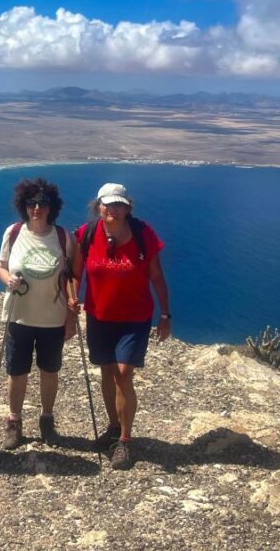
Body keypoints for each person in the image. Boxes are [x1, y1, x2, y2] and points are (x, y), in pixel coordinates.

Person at [72, 183, 171, 470]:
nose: (112, 209)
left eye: (118, 204)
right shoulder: (86, 234)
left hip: (134, 318)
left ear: (128, 207)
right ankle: (113, 428)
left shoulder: (143, 234)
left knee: (123, 374)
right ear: (98, 206)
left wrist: (165, 315)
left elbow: (156, 276)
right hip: (99, 317)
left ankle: (126, 442)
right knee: (106, 372)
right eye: (107, 204)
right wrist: (71, 300)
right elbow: (75, 273)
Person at [0, 178, 76, 450]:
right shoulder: (14, 232)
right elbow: (2, 267)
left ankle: (47, 420)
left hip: (52, 318)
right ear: (24, 205)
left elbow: (71, 277)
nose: (37, 208)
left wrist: (71, 316)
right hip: (19, 316)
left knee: (49, 371)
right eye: (32, 203)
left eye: (43, 203)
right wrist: (7, 280)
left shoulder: (64, 237)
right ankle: (14, 421)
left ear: (52, 206)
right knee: (17, 372)